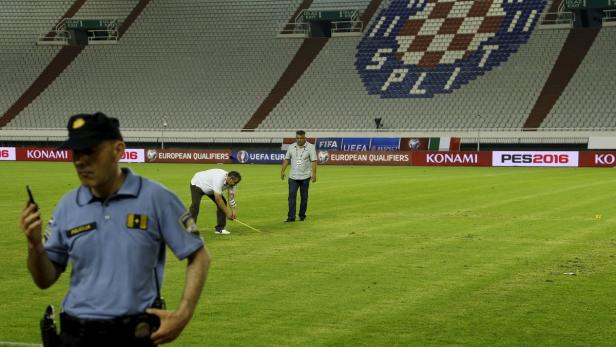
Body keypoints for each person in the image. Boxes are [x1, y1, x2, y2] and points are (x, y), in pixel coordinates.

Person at [19, 112, 210, 347]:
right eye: (76, 152)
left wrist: (184, 313)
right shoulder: (67, 206)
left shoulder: (156, 198)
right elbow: (44, 279)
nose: (80, 160)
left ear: (118, 150)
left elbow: (199, 255)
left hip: (131, 335)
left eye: (90, 151)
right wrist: (35, 245)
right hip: (74, 334)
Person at [189, 169, 241, 235]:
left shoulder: (233, 184)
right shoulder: (219, 179)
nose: (235, 184)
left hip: (210, 188)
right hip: (197, 183)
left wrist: (233, 210)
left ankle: (220, 229)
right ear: (230, 179)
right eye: (234, 182)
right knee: (195, 205)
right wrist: (227, 213)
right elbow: (218, 199)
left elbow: (231, 198)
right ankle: (190, 228)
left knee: (223, 203)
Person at [280, 130, 317, 222]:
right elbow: (287, 159)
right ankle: (291, 217)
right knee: (291, 197)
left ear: (305, 138)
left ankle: (302, 215)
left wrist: (314, 174)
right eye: (297, 138)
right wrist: (282, 171)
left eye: (301, 138)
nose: (299, 140)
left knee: (304, 197)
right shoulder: (291, 147)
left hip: (305, 176)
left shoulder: (311, 147)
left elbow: (314, 161)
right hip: (293, 177)